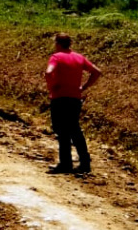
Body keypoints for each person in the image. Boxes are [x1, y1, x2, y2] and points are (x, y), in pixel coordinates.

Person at [44, 32, 102, 174]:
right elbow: (96, 72)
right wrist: (84, 87)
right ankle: (85, 163)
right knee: (75, 129)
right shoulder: (79, 57)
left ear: (57, 43)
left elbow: (48, 72)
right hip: (75, 98)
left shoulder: (56, 57)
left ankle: (65, 163)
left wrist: (51, 86)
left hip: (59, 97)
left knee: (61, 130)